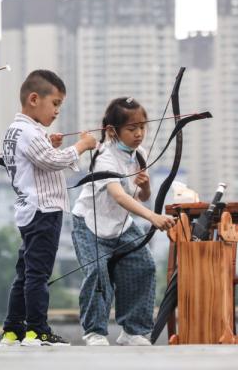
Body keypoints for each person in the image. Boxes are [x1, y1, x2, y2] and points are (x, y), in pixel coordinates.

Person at [0, 70, 97, 347]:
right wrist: (82, 146)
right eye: (54, 103)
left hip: (29, 211)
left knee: (26, 273)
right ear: (34, 99)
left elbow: (39, 158)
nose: (56, 111)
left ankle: (12, 331)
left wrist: (49, 144)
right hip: (44, 211)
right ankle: (37, 331)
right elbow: (52, 162)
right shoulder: (30, 132)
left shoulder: (16, 131)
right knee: (38, 274)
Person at [71, 97, 175, 346]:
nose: (139, 134)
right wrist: (153, 218)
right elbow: (118, 196)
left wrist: (146, 185)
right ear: (111, 131)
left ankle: (132, 331)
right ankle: (94, 332)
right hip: (89, 225)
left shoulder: (140, 154)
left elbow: (139, 197)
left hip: (121, 225)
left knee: (144, 266)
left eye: (142, 127)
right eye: (131, 128)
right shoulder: (103, 157)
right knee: (97, 272)